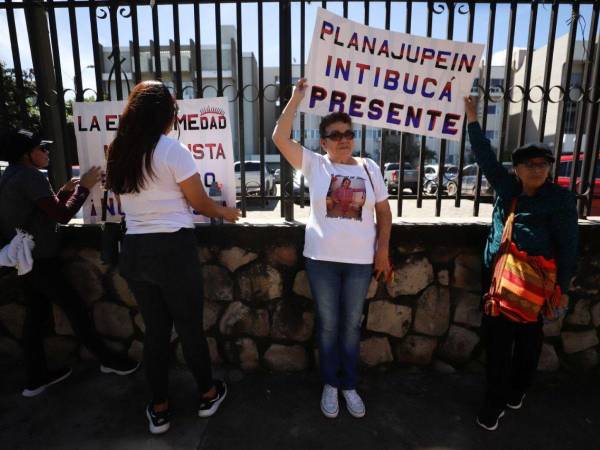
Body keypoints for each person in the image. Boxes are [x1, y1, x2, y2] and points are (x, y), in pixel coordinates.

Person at [105, 80, 241, 434]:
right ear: (166, 114)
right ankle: (208, 394)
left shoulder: (119, 150)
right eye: (174, 109)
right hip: (172, 250)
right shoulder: (171, 150)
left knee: (155, 332)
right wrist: (225, 213)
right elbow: (199, 202)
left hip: (135, 251)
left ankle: (159, 407)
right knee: (189, 328)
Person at [272, 78, 392, 419]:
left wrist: (382, 250)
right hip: (322, 261)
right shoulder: (315, 164)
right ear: (324, 141)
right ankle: (330, 384)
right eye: (336, 135)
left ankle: (349, 385)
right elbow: (279, 138)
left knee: (352, 325)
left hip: (359, 262)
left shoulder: (370, 168)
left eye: (348, 134)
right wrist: (296, 98)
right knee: (327, 324)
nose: (344, 140)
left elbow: (383, 212)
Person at [464, 96, 578, 431]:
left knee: (529, 341)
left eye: (543, 163)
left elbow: (568, 246)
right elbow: (484, 155)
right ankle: (494, 401)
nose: (537, 168)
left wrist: (562, 289)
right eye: (530, 163)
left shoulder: (559, 200)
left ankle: (519, 387)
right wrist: (472, 117)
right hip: (499, 281)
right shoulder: (506, 187)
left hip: (535, 285)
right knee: (498, 341)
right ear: (517, 169)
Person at [0, 129, 140, 398]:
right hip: (41, 260)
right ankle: (108, 361)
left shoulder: (10, 176)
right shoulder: (30, 176)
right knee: (75, 310)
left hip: (25, 260)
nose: (47, 152)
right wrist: (85, 187)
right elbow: (62, 216)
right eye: (41, 148)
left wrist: (63, 193)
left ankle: (35, 377)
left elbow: (43, 212)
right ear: (26, 155)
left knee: (36, 316)